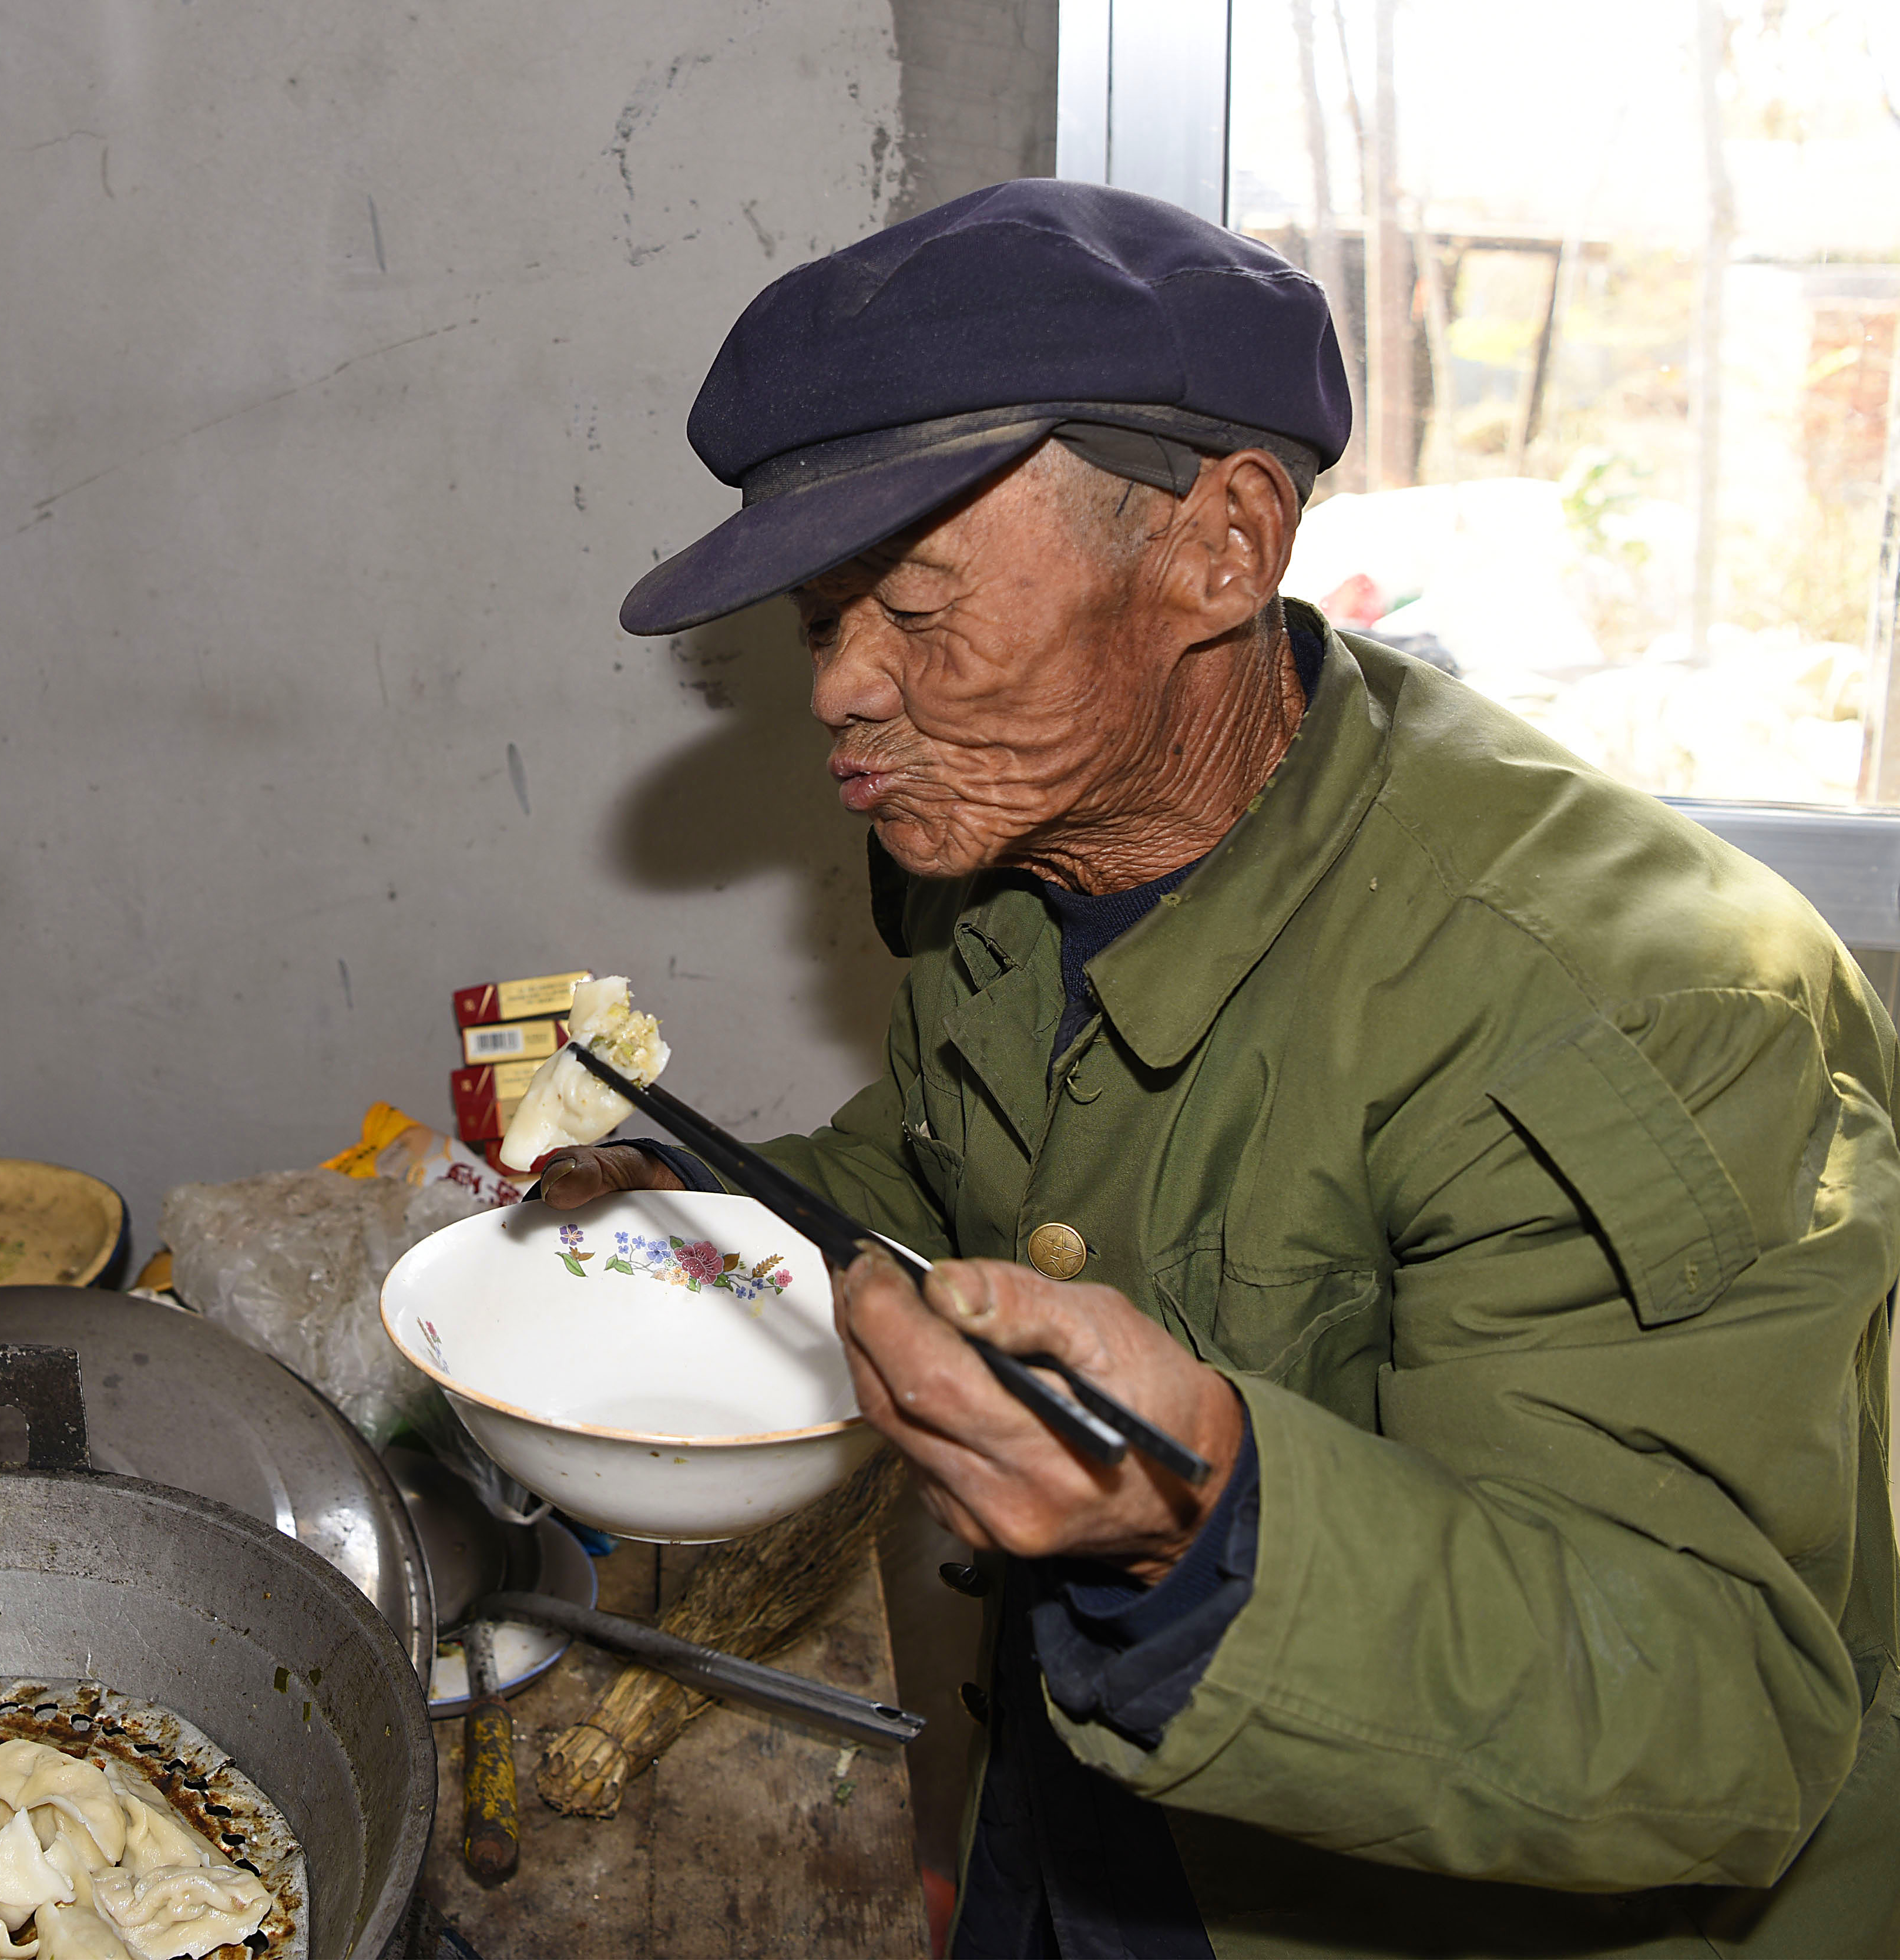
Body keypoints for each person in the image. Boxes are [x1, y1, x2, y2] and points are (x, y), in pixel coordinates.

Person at [535, 179, 1900, 1956]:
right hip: (1089, 1775)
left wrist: (1205, 1531)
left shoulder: (1630, 1008)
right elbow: (978, 1174)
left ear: (1222, 545)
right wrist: (710, 1212)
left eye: (920, 613)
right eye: (817, 621)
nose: (840, 695)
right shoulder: (1018, 854)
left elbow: (1721, 1719)